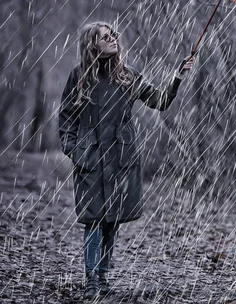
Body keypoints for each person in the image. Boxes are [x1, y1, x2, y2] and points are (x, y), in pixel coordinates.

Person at [58, 21, 194, 300]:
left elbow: (160, 100)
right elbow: (66, 119)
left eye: (113, 35)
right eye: (106, 37)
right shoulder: (79, 77)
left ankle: (104, 277)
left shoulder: (128, 77)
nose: (113, 39)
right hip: (90, 159)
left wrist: (177, 77)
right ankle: (92, 280)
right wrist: (75, 150)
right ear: (92, 44)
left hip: (121, 159)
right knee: (94, 221)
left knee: (112, 222)